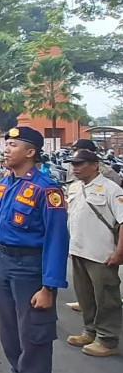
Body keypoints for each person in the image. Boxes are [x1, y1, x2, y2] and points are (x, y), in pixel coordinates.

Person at [0, 127, 69, 373]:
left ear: (31, 152)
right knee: (9, 332)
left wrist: (48, 287)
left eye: (14, 145)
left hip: (30, 269)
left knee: (34, 334)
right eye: (7, 144)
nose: (6, 149)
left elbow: (57, 239)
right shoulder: (5, 183)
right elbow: (0, 226)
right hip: (6, 265)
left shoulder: (47, 189)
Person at [65, 148, 123, 357]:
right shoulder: (74, 188)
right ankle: (90, 331)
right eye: (73, 164)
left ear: (95, 164)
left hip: (102, 254)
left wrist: (119, 252)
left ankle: (107, 339)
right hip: (79, 251)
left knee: (107, 298)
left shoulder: (110, 189)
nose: (75, 168)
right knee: (85, 296)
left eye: (80, 164)